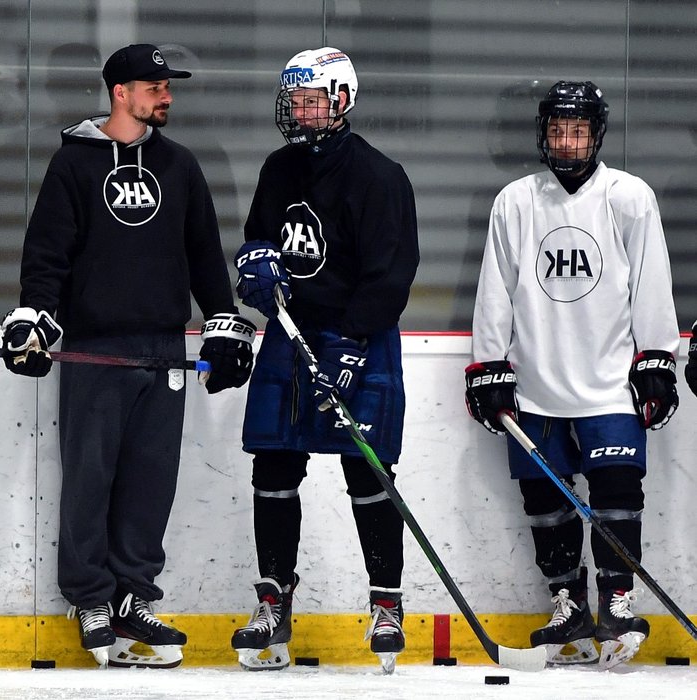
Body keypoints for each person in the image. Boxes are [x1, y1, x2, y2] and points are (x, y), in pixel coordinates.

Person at [0, 43, 256, 669]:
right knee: (90, 476)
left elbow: (202, 253)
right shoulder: (74, 166)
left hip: (163, 349)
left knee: (150, 481)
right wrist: (36, 317)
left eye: (168, 87)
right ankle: (90, 597)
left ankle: (133, 597)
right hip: (95, 348)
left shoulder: (181, 166)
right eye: (154, 86)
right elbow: (48, 254)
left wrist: (223, 321)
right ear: (120, 92)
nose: (166, 95)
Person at [465, 80, 679, 669]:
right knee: (544, 500)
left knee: (617, 495)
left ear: (596, 133)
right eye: (558, 129)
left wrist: (657, 360)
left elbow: (652, 286)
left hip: (609, 383)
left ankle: (616, 598)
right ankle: (567, 602)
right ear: (543, 132)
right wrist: (489, 365)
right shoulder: (515, 201)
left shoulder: (630, 197)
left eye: (578, 129)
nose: (567, 139)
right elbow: (496, 292)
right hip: (535, 384)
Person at [229, 47, 419, 673]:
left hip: (359, 334)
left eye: (310, 100)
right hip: (291, 333)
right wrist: (255, 271)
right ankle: (274, 602)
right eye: (294, 100)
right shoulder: (278, 167)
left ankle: (387, 605)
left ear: (341, 103)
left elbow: (392, 275)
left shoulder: (379, 176)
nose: (298, 111)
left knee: (368, 472)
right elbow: (259, 240)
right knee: (274, 466)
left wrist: (356, 346)